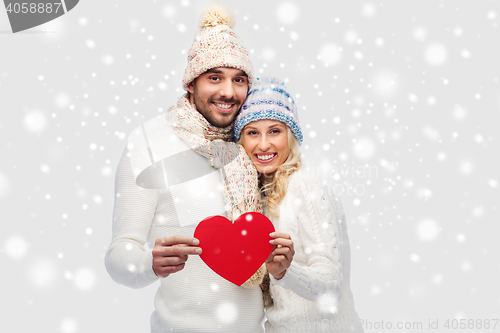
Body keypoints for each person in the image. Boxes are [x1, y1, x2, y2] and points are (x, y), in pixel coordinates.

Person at [104, 4, 269, 332]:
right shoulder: (149, 140)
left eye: (239, 79)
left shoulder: (254, 142)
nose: (228, 92)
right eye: (214, 77)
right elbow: (118, 256)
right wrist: (148, 263)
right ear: (191, 84)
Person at [235, 77, 364, 332]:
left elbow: (330, 284)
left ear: (290, 135)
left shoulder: (305, 185)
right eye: (252, 132)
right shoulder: (253, 196)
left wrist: (285, 273)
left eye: (274, 131)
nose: (263, 144)